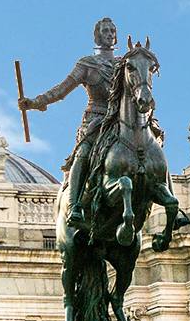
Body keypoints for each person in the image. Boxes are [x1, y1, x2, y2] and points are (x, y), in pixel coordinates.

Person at [20, 17, 121, 228]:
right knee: (83, 154)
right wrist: (35, 102)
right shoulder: (87, 64)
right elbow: (62, 89)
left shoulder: (125, 64)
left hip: (120, 119)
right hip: (96, 118)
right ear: (97, 35)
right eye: (105, 31)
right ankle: (74, 205)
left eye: (112, 30)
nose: (110, 34)